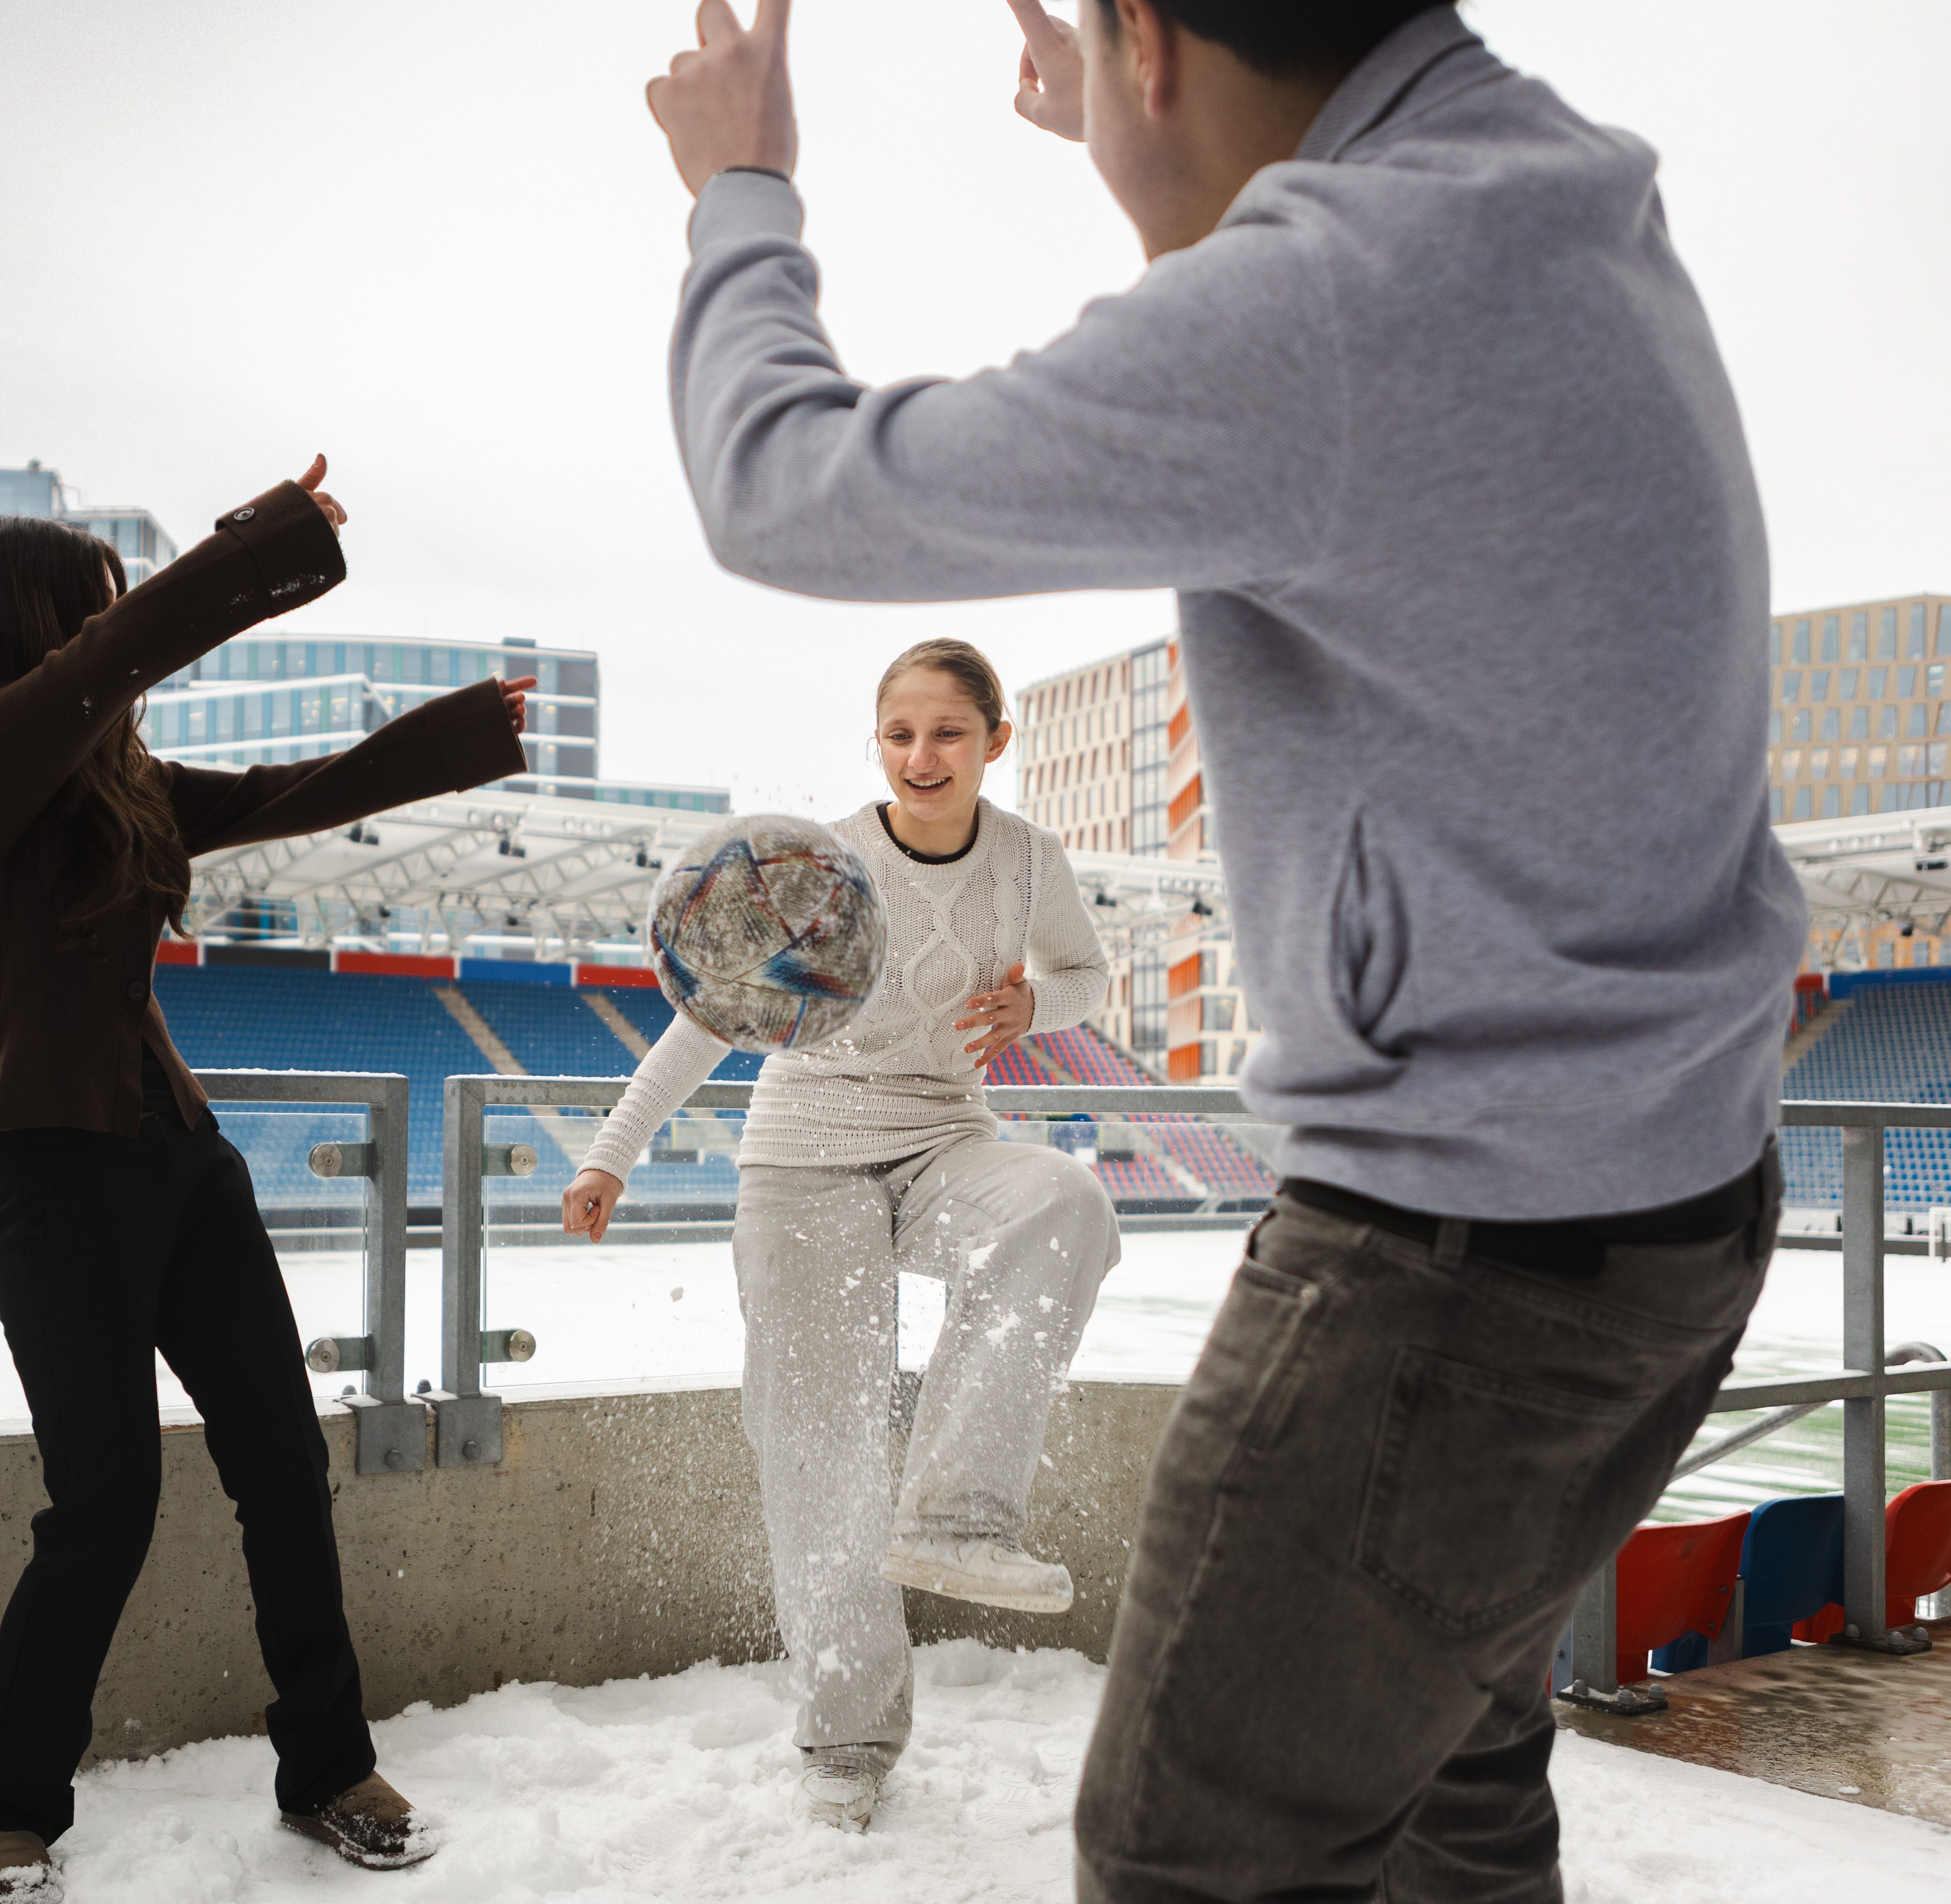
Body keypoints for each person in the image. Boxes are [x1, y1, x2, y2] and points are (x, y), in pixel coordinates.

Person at [644, 1, 1801, 1897]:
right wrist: (1141, 138)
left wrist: (739, 188)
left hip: (1455, 1283)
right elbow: (1310, 379)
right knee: (1448, 1775)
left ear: (1156, 44)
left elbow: (780, 481)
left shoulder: (1329, 302)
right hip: (1675, 1205)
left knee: (1199, 1856)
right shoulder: (1543, 193)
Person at [0, 464, 531, 1893]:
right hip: (58, 1178)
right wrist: (261, 547)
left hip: (184, 1165)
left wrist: (471, 733)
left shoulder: (116, 787)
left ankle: (328, 1764)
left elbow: (294, 791)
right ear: (32, 630)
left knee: (284, 1468)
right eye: (87, 623)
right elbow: (110, 661)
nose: (112, 653)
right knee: (104, 1503)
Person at [562, 637, 1119, 1831]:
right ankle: (848, 1738)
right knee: (822, 1451)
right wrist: (613, 1148)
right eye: (900, 733)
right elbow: (712, 1014)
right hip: (803, 1159)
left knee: (1065, 1202)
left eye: (949, 734)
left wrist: (1040, 1001)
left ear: (994, 742)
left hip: (945, 1139)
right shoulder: (817, 862)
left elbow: (1084, 970)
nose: (923, 756)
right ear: (878, 743)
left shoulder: (1030, 859)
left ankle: (962, 1512)